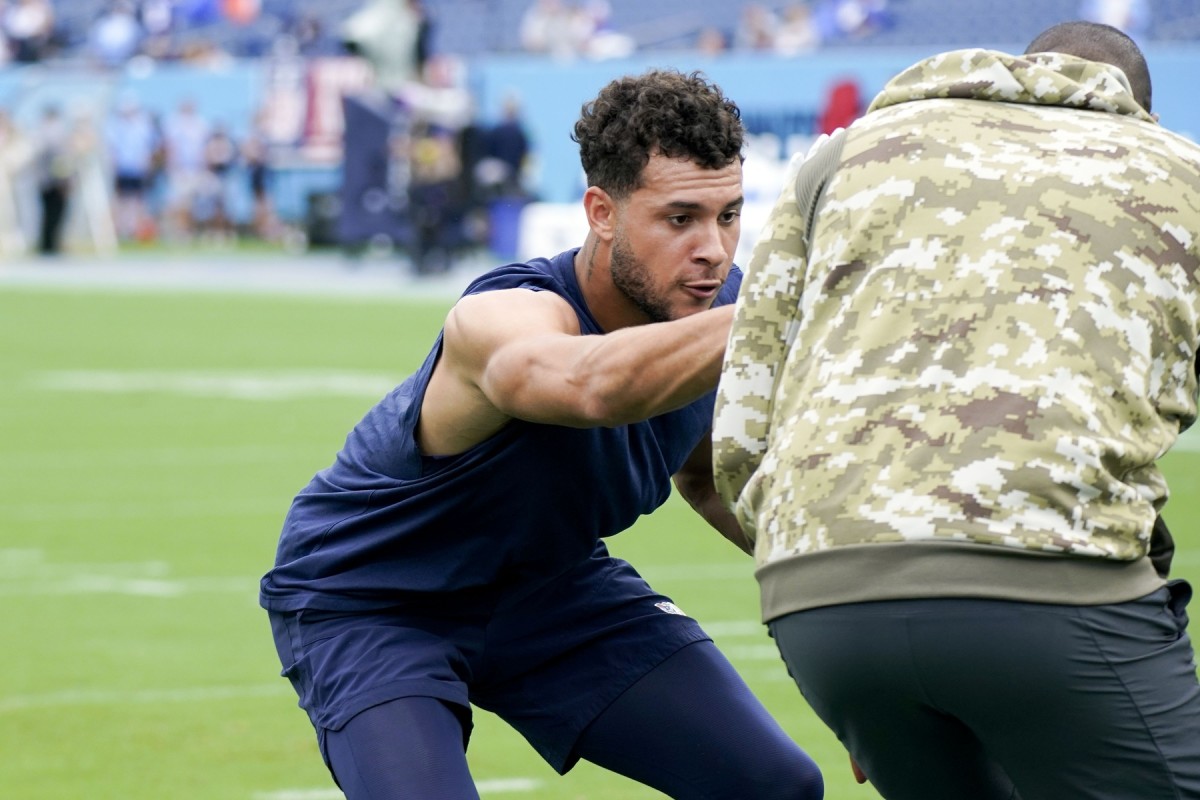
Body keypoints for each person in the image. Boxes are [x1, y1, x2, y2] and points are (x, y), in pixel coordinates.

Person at [260, 68, 824, 800]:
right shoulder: (503, 315)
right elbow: (590, 385)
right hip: (376, 596)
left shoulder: (723, 310)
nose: (713, 249)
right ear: (601, 212)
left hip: (551, 587)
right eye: (680, 219)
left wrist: (856, 651)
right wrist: (783, 309)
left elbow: (711, 474)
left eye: (729, 215)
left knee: (774, 784)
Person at [712, 20, 1200, 800]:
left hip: (819, 598)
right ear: (1137, 108)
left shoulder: (842, 157)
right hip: (1053, 585)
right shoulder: (1179, 171)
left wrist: (847, 598)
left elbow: (740, 428)